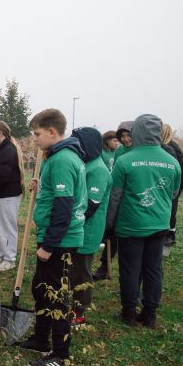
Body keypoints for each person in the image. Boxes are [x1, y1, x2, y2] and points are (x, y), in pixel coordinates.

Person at [18, 109, 86, 366]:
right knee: (40, 288)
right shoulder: (57, 158)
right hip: (53, 236)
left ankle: (61, 355)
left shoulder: (62, 160)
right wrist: (42, 185)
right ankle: (40, 338)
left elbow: (64, 207)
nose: (34, 139)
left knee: (55, 295)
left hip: (59, 240)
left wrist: (48, 245)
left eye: (36, 134)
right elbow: (58, 194)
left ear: (51, 132)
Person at [106, 114, 180, 329]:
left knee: (130, 269)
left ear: (136, 132)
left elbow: (115, 197)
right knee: (153, 269)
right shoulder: (171, 161)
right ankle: (150, 314)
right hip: (159, 224)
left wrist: (109, 225)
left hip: (131, 226)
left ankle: (129, 312)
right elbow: (173, 193)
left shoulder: (124, 161)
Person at [69, 127, 111, 329]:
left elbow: (91, 205)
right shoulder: (86, 165)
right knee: (71, 269)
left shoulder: (99, 170)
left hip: (87, 230)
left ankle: (80, 312)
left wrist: (71, 222)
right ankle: (70, 305)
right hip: (77, 227)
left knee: (81, 272)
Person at [93, 120, 133, 281]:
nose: (124, 139)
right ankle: (104, 266)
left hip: (133, 202)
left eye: (128, 135)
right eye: (121, 136)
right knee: (112, 233)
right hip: (117, 196)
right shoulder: (120, 151)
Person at [0, 121, 25, 271]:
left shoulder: (8, 150)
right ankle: (0, 256)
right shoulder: (1, 149)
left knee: (7, 227)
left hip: (7, 195)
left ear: (1, 134)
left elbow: (3, 175)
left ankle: (9, 259)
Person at [160, 123, 183, 249]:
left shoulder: (171, 146)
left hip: (175, 184)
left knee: (171, 208)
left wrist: (178, 186)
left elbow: (181, 167)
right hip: (171, 183)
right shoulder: (166, 145)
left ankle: (170, 235)